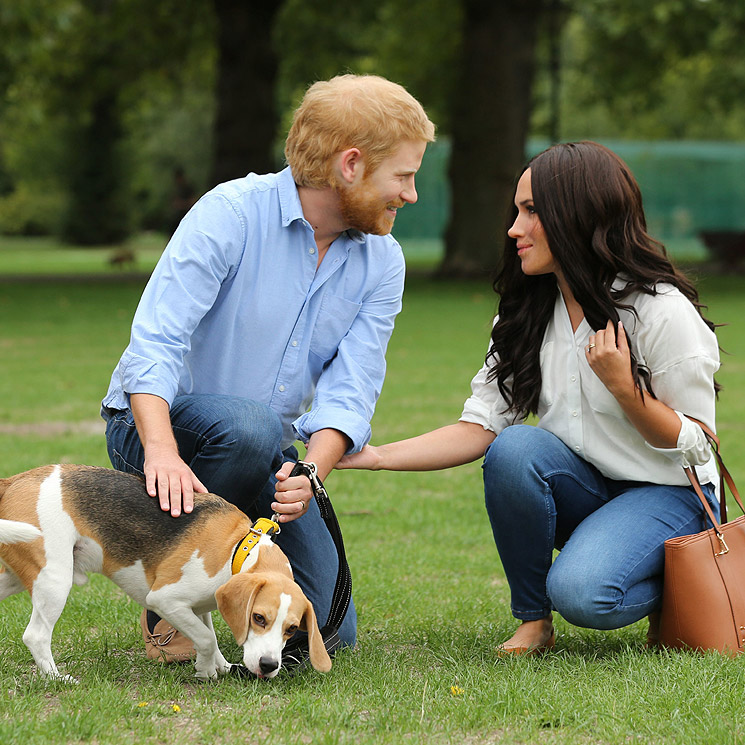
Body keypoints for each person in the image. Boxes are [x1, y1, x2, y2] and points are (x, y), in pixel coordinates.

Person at [338, 141, 721, 655]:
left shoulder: (659, 312)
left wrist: (626, 390)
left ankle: (679, 579)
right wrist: (375, 456)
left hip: (671, 495)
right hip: (589, 488)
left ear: (579, 215)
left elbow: (698, 446)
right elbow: (479, 428)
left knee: (585, 596)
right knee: (516, 448)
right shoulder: (528, 313)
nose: (514, 228)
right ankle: (534, 620)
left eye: (532, 211)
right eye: (517, 211)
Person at [101, 74, 435, 661]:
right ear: (350, 165)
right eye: (404, 176)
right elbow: (154, 345)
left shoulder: (383, 261)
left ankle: (234, 576)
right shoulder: (229, 214)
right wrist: (161, 453)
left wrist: (309, 474)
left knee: (327, 631)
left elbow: (350, 391)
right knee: (250, 427)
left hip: (268, 450)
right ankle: (172, 611)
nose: (410, 194)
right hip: (154, 434)